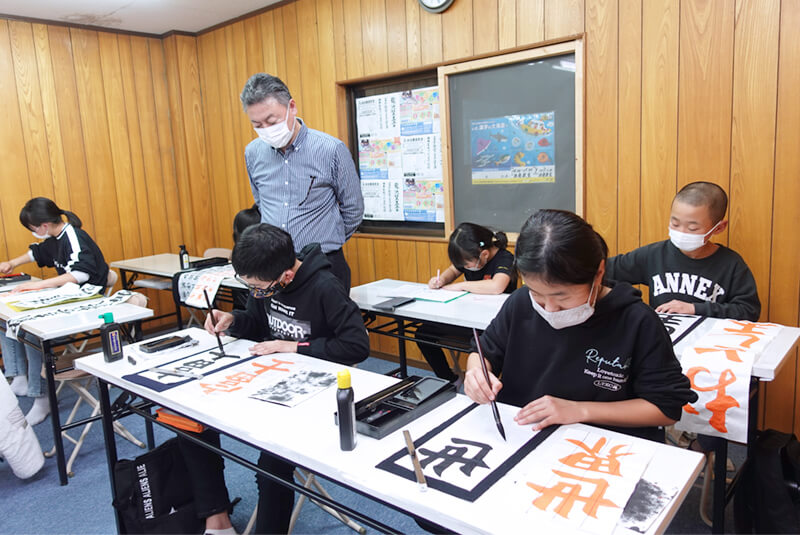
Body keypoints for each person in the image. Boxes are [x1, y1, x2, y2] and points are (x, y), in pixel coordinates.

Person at [183, 223, 369, 535]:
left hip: (315, 393)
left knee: (272, 464)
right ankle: (216, 519)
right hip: (270, 378)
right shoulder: (265, 284)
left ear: (286, 275)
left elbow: (356, 345)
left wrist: (296, 346)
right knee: (192, 419)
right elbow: (256, 323)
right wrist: (233, 321)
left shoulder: (325, 286)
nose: (256, 293)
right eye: (250, 287)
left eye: (259, 287)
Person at [465, 209, 697, 443]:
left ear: (599, 273)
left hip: (599, 446)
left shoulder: (637, 321)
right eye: (538, 295)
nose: (550, 308)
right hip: (521, 436)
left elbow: (666, 409)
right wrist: (476, 374)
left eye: (563, 298)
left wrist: (580, 410)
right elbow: (483, 352)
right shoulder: (520, 303)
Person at [240, 73, 364, 291]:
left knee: (328, 325)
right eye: (257, 124)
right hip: (272, 267)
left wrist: (326, 240)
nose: (266, 129)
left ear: (292, 107)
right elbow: (262, 202)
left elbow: (353, 209)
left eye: (272, 121)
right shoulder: (253, 152)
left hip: (322, 266)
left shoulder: (330, 149)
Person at [0, 197, 109, 425]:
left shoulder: (74, 237)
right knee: (5, 320)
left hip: (85, 303)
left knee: (31, 332)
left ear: (43, 226)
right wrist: (12, 263)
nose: (34, 233)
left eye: (32, 229)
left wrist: (36, 285)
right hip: (67, 298)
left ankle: (40, 397)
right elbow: (38, 253)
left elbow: (82, 274)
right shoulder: (55, 237)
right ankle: (19, 375)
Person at [606, 181, 760, 321]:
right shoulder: (654, 254)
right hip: (663, 338)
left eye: (692, 228)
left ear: (718, 228)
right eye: (675, 223)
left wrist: (694, 308)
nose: (682, 232)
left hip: (709, 342)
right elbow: (604, 270)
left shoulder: (731, 264)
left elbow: (749, 310)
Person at [416, 223, 516, 383]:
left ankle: (488, 387)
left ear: (484, 254)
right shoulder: (469, 257)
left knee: (482, 348)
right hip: (467, 319)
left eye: (467, 264)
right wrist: (440, 280)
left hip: (492, 325)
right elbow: (452, 271)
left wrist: (461, 286)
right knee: (423, 334)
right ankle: (448, 379)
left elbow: (497, 286)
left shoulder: (505, 258)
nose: (465, 267)